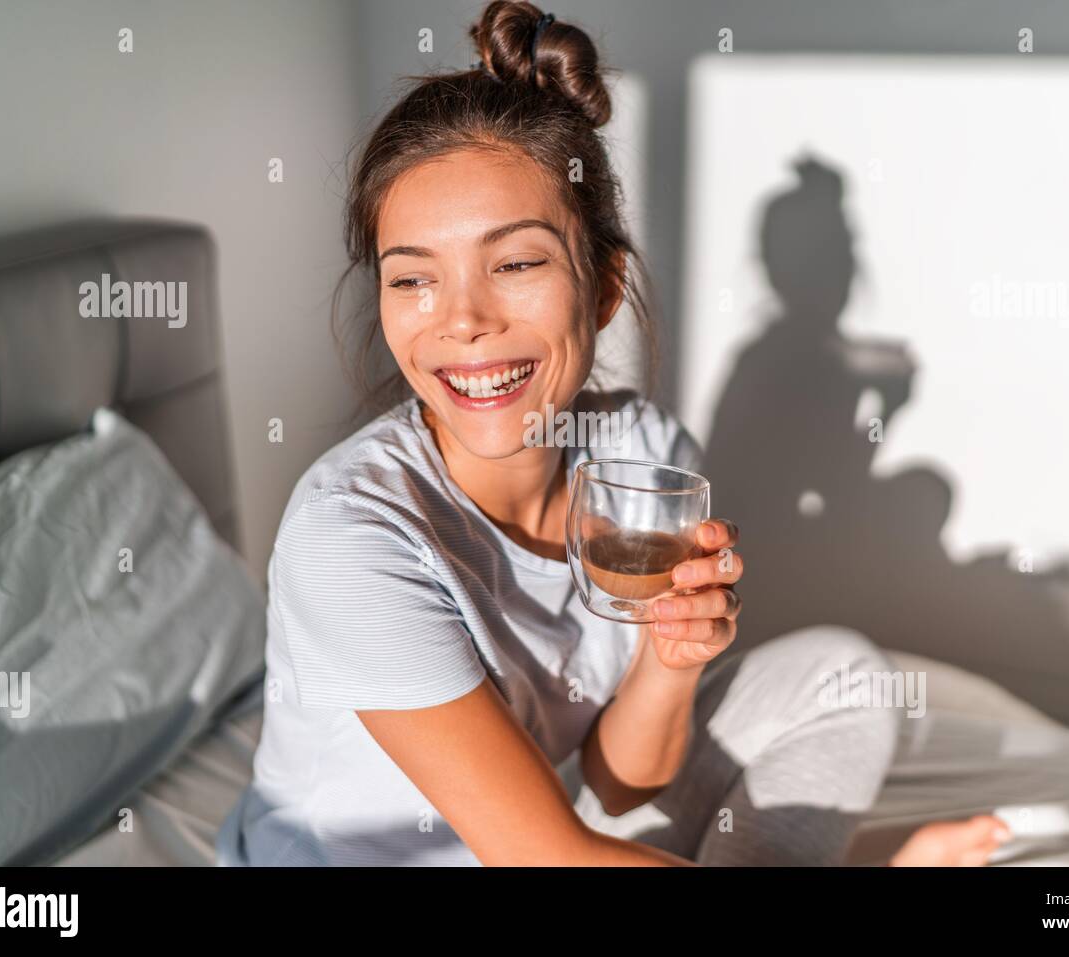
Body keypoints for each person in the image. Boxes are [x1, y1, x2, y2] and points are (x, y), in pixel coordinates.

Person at [216, 0, 1008, 867]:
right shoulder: (351, 535)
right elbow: (550, 857)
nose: (463, 322)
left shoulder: (645, 459)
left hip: (558, 823)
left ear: (601, 285)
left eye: (515, 264)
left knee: (840, 674)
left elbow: (625, 782)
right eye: (414, 281)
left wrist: (670, 662)